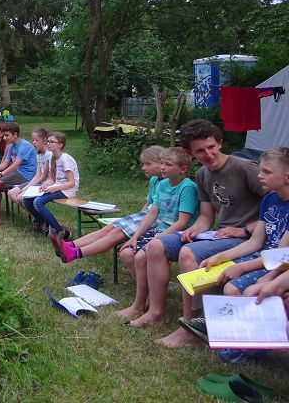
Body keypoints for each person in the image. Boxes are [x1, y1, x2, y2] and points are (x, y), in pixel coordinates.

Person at [137, 120, 263, 345]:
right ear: (190, 154)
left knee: (188, 253)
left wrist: (244, 229)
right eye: (200, 151)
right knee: (156, 245)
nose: (208, 154)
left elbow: (276, 208)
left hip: (248, 237)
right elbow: (206, 216)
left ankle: (190, 327)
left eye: (211, 147)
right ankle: (155, 314)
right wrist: (194, 229)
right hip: (220, 234)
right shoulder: (203, 174)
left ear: (220, 143)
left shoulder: (245, 168)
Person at [111, 147, 199, 323]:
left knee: (140, 256)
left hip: (181, 233)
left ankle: (140, 306)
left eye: (168, 164)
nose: (163, 167)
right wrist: (135, 236)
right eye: (163, 163)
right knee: (126, 252)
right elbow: (152, 213)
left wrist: (155, 238)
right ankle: (147, 298)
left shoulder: (188, 187)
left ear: (183, 169)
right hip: (161, 229)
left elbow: (182, 222)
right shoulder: (162, 184)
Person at [48, 145, 165, 262]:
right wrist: (137, 217)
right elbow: (148, 203)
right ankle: (69, 245)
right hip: (145, 216)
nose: (143, 168)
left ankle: (74, 253)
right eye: (143, 164)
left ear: (161, 164)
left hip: (157, 220)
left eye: (148, 164)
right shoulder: (154, 180)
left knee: (116, 233)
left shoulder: (167, 183)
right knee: (108, 229)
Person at [201, 147, 289, 296]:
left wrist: (242, 267)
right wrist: (220, 257)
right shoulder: (269, 199)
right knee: (214, 270)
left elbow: (281, 255)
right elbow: (255, 241)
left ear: (287, 177)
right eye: (260, 170)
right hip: (263, 256)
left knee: (232, 289)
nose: (260, 176)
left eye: (267, 172)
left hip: (279, 264)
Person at [22, 131, 78, 237]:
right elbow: (52, 179)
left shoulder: (65, 159)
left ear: (60, 145)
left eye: (52, 142)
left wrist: (54, 189)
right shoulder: (53, 158)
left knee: (38, 202)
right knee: (26, 200)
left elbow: (71, 183)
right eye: (48, 141)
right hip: (58, 187)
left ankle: (60, 231)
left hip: (68, 190)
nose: (48, 144)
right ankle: (41, 220)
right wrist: (46, 184)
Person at [0, 122, 37, 226]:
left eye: (6, 135)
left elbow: (15, 165)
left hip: (27, 176)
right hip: (17, 174)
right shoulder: (12, 146)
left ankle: (37, 216)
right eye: (3, 135)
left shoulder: (25, 146)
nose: (4, 138)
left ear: (15, 134)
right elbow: (5, 163)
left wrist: (0, 175)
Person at [10, 127, 51, 229]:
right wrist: (26, 187)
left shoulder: (49, 155)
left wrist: (27, 188)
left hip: (45, 183)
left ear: (45, 140)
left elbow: (43, 177)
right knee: (11, 193)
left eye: (36, 140)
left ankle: (42, 221)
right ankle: (40, 218)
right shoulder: (39, 154)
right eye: (33, 140)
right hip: (37, 181)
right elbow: (37, 175)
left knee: (21, 197)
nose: (34, 142)